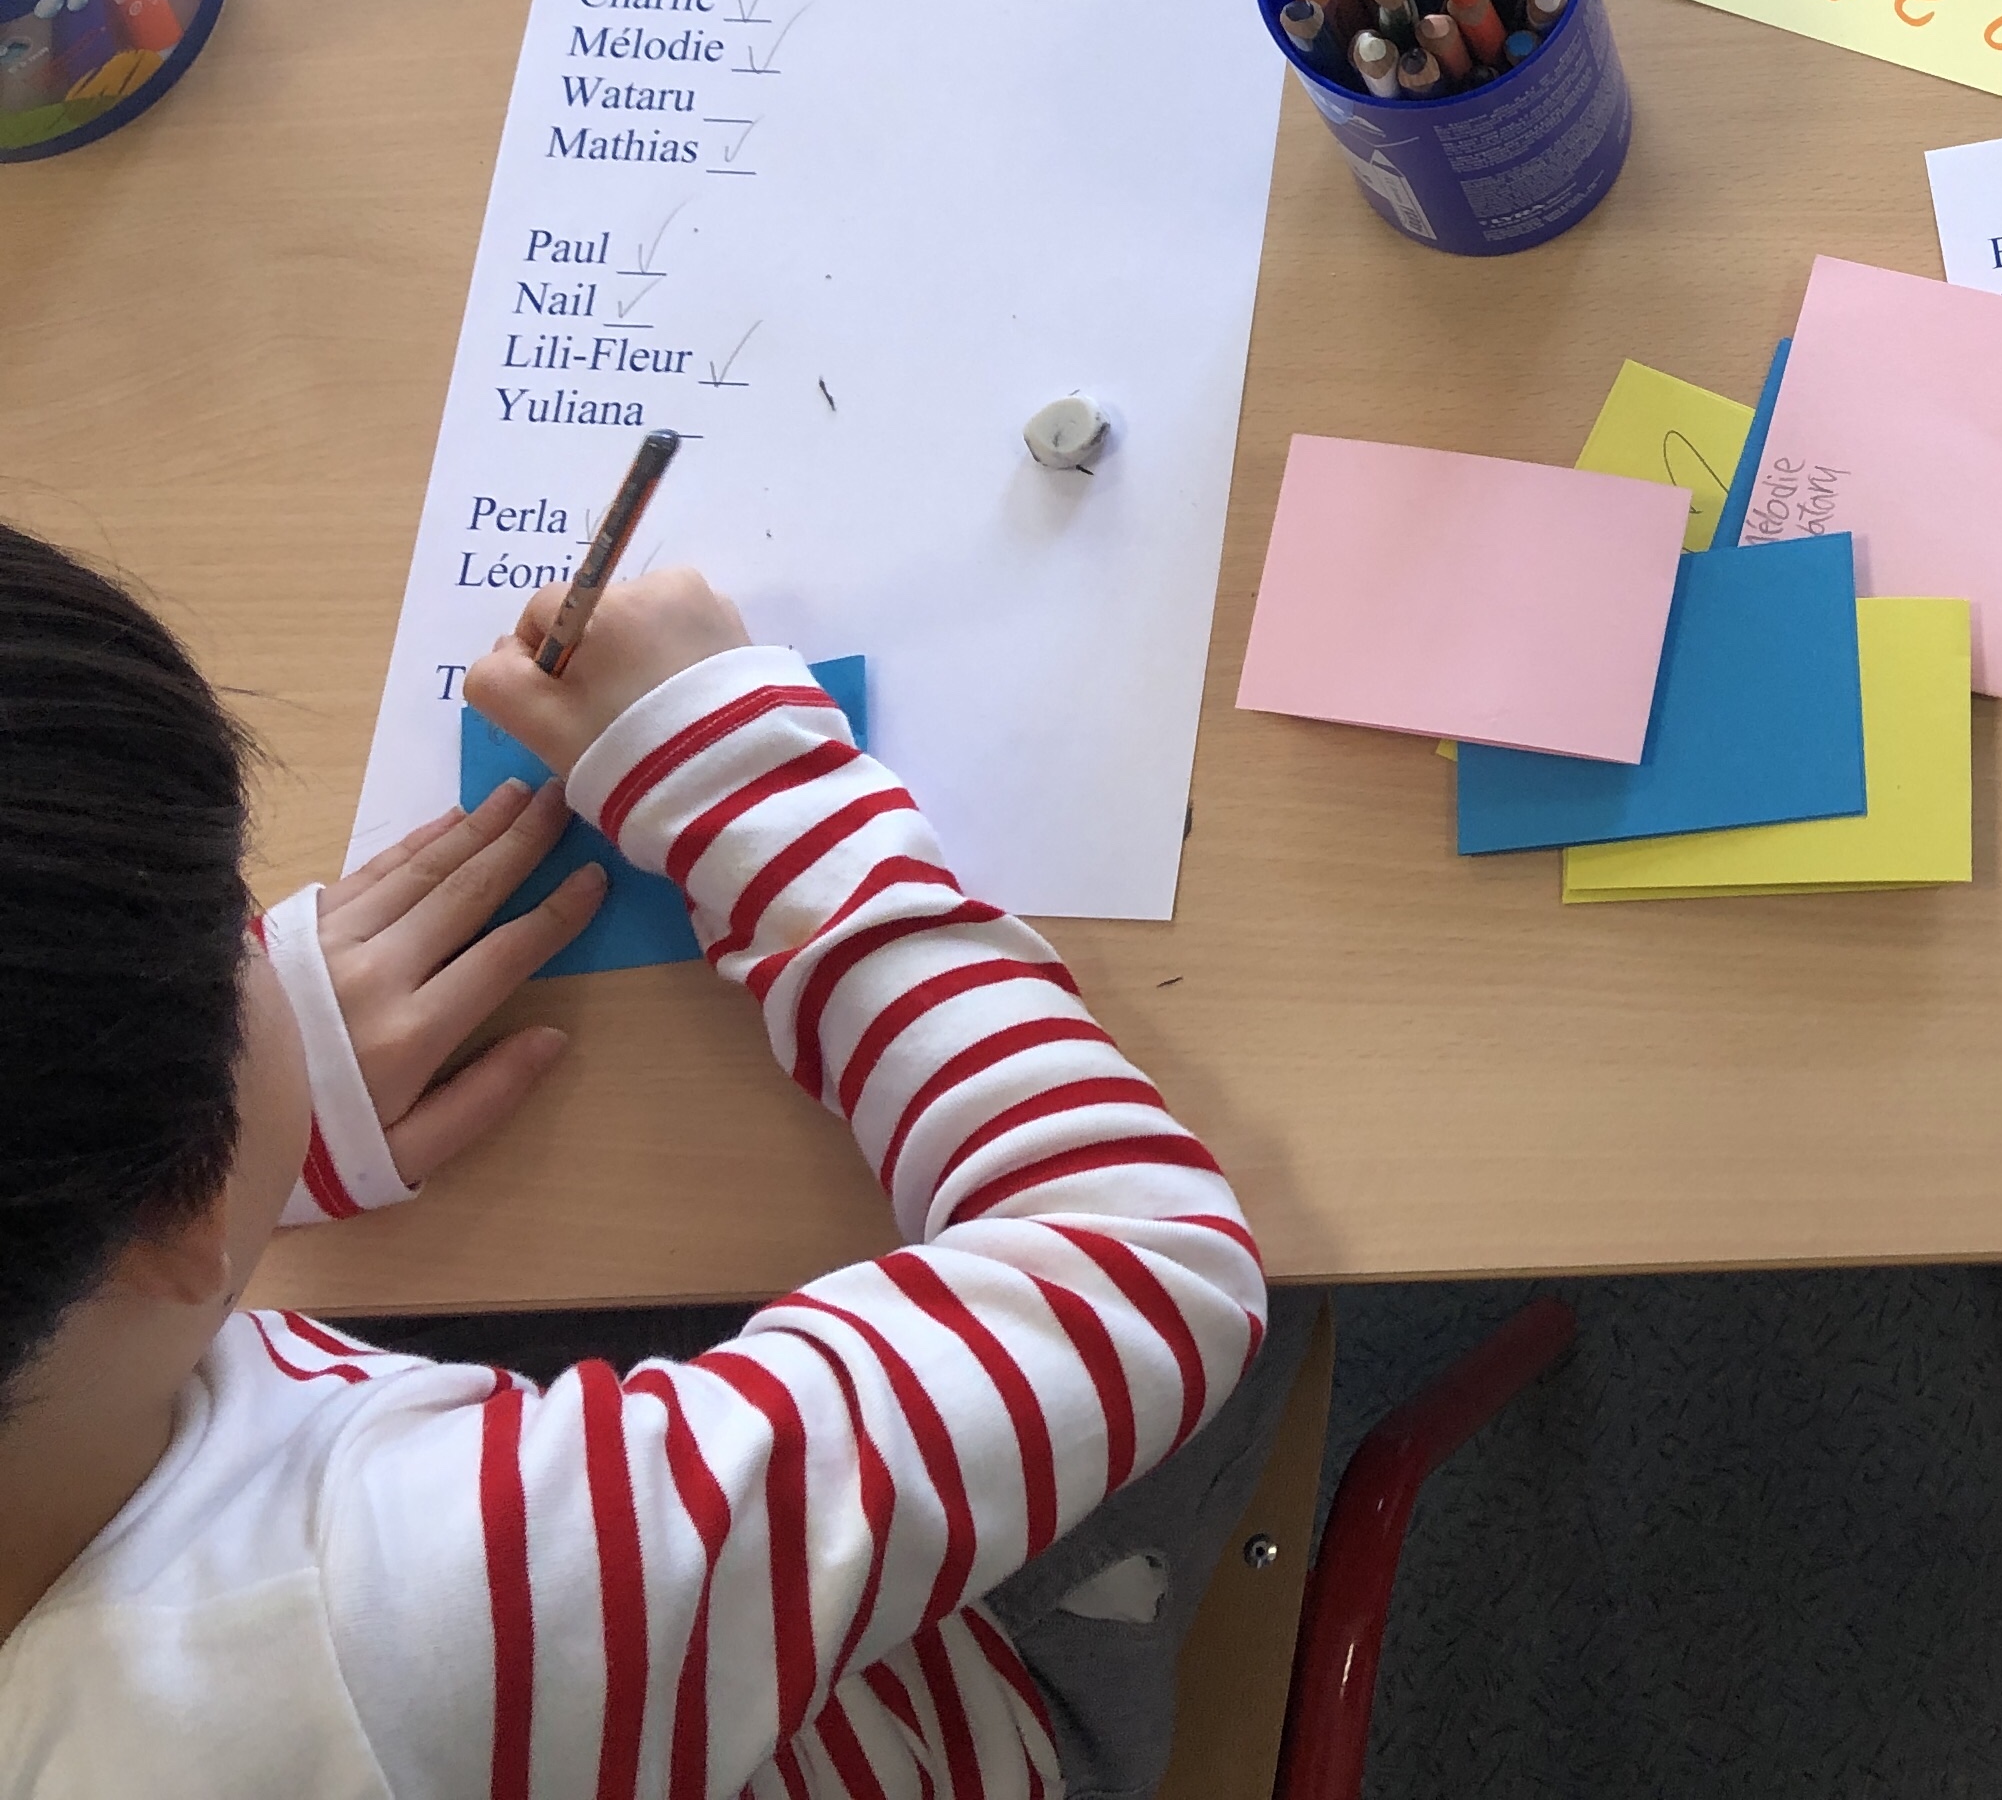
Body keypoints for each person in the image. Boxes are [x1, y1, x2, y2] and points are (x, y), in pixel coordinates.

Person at [0, 529, 1283, 1797]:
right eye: (238, 932)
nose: (269, 937)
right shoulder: (424, 1609)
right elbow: (1142, 1263)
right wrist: (735, 771)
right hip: (924, 1687)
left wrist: (248, 1161)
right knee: (1297, 1257)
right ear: (174, 1202)